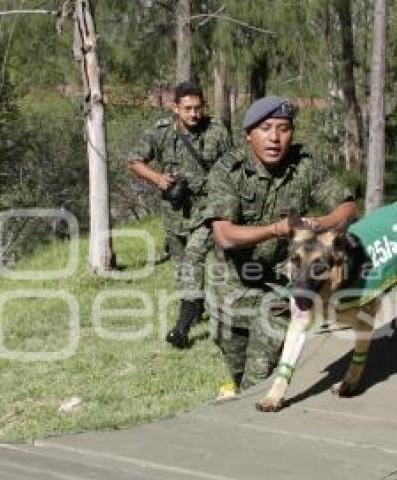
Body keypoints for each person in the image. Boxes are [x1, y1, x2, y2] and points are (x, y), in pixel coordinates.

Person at [200, 95, 358, 399]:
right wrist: (275, 229)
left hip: (278, 286)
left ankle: (251, 412)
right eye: (266, 128)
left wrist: (317, 224)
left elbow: (348, 208)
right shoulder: (228, 171)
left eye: (283, 129)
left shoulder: (304, 167)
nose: (274, 137)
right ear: (249, 135)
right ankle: (245, 396)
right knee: (238, 366)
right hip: (229, 288)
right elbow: (223, 235)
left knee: (259, 372)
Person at [128, 81, 231, 348]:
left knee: (194, 257)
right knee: (181, 268)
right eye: (187, 109)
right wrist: (159, 179)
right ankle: (195, 308)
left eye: (198, 108)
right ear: (176, 108)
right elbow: (134, 161)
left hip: (209, 210)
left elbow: (234, 168)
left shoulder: (217, 131)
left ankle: (182, 328)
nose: (194, 114)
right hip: (174, 213)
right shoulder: (161, 133)